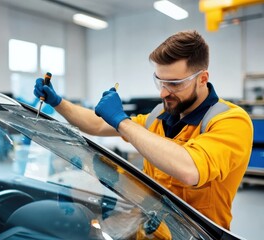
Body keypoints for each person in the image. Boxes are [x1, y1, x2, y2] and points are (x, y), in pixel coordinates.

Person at [33, 30, 253, 230]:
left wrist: (122, 121)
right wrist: (58, 102)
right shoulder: (159, 115)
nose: (163, 93)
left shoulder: (230, 121)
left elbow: (190, 169)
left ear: (203, 78)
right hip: (149, 231)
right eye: (160, 82)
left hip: (195, 235)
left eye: (175, 84)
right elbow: (97, 124)